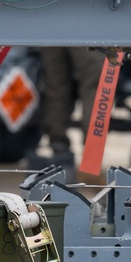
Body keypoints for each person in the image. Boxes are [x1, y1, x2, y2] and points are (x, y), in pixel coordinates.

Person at [36, 46, 105, 174]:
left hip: (50, 32)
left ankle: (60, 153)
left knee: (56, 90)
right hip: (87, 32)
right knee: (95, 89)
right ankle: (91, 159)